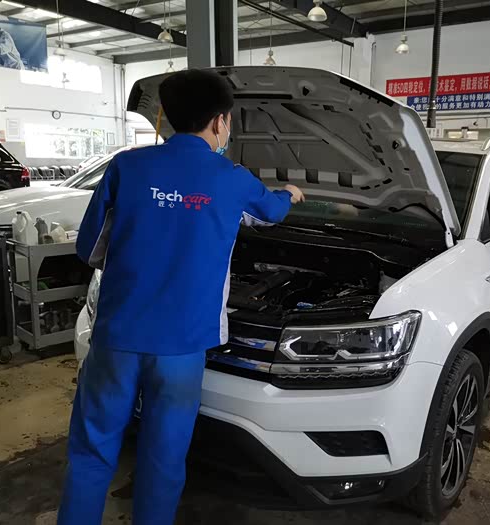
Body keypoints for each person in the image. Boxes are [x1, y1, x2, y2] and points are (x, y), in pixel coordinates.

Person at [57, 69, 305, 525]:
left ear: (168, 117)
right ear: (220, 122)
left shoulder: (126, 167)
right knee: (164, 458)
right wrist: (289, 193)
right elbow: (271, 211)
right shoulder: (233, 178)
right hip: (183, 348)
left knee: (92, 450)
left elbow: (88, 248)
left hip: (116, 338)